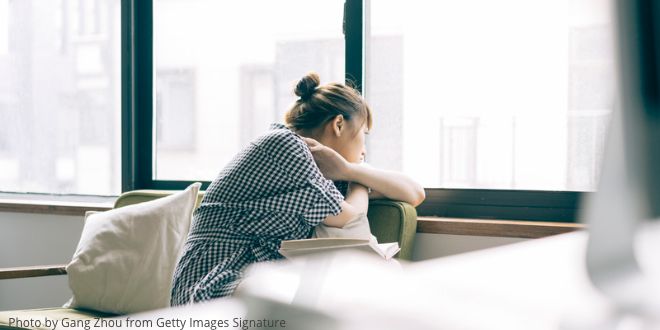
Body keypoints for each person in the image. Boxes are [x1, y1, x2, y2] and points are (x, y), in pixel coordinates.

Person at [170, 72, 425, 306]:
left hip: (253, 276)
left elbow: (414, 193)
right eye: (363, 135)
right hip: (213, 279)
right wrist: (357, 175)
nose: (364, 150)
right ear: (338, 124)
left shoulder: (325, 174)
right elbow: (348, 218)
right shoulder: (284, 145)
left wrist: (350, 171)